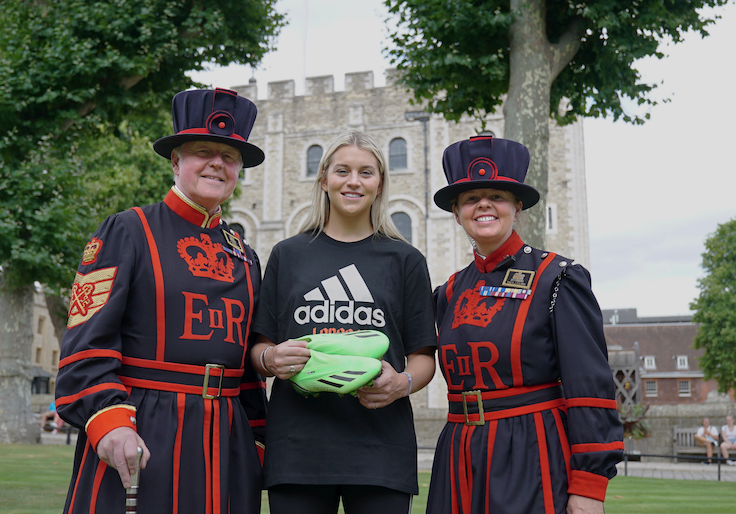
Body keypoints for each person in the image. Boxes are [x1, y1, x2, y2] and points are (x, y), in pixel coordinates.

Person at [55, 88, 268, 514]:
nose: (217, 163)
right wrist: (111, 422)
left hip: (226, 441)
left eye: (229, 157)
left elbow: (246, 367)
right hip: (142, 428)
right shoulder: (127, 230)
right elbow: (85, 347)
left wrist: (256, 439)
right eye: (202, 151)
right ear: (176, 161)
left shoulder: (246, 255)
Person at [426, 136, 624, 514]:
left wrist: (589, 485)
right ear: (456, 212)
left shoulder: (558, 277)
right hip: (457, 454)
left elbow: (590, 385)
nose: (483, 204)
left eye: (497, 196)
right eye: (470, 198)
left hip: (531, 453)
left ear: (518, 207)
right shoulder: (448, 292)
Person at [250, 130, 437, 514]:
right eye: (342, 171)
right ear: (324, 180)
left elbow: (423, 357)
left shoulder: (406, 260)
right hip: (298, 449)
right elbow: (258, 347)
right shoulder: (288, 255)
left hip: (380, 448)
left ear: (379, 183)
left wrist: (401, 384)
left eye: (366, 172)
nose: (354, 181)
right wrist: (271, 359)